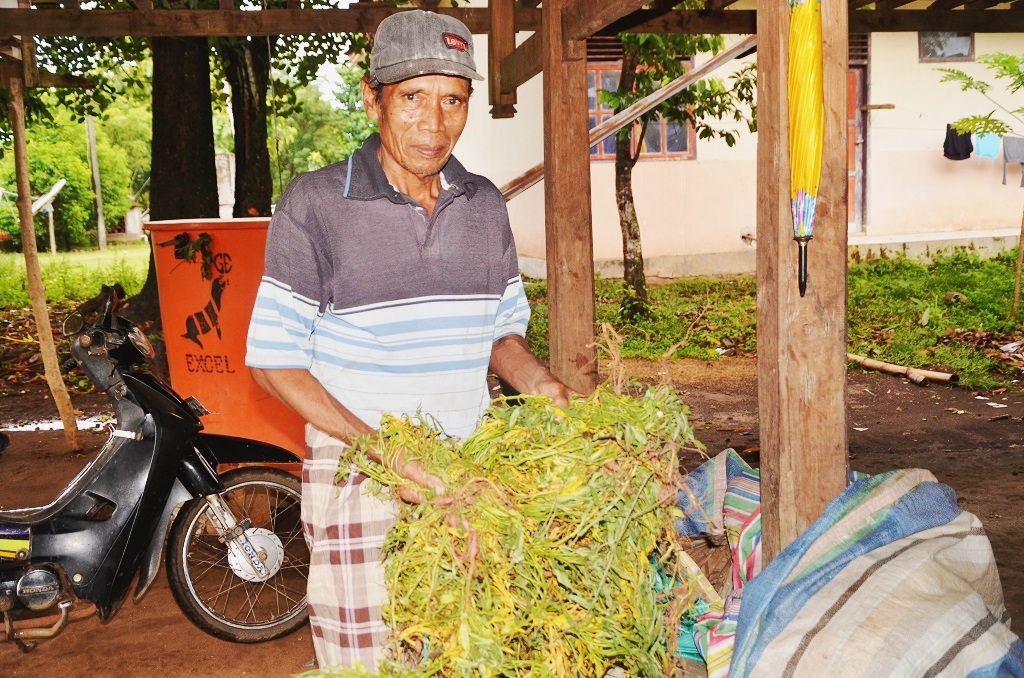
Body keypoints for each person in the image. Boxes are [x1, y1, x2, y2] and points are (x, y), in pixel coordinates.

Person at [244, 9, 573, 671]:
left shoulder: (483, 205)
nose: (433, 122)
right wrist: (385, 455)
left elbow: (498, 332)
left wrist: (535, 379)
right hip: (359, 471)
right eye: (412, 98)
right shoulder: (315, 205)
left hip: (467, 473)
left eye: (452, 100)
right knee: (371, 659)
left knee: (472, 651)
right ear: (374, 99)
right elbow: (273, 364)